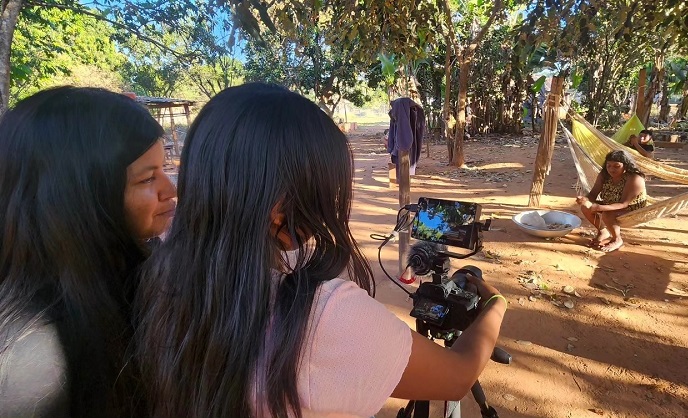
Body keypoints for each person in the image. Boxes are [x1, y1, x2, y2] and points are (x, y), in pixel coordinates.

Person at [134, 83, 507, 418]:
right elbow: (457, 377)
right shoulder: (324, 318)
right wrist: (494, 304)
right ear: (279, 205)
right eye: (324, 189)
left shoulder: (161, 268)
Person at [0, 86, 177, 417]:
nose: (170, 189)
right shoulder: (35, 362)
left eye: (164, 169)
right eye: (147, 179)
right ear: (82, 200)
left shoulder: (130, 274)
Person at [576, 150, 647, 252]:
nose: (611, 169)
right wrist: (585, 199)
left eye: (616, 166)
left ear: (625, 166)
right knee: (585, 207)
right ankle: (603, 231)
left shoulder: (634, 178)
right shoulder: (604, 175)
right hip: (610, 204)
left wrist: (600, 207)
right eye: (608, 166)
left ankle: (617, 239)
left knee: (607, 214)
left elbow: (624, 203)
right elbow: (593, 194)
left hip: (631, 208)